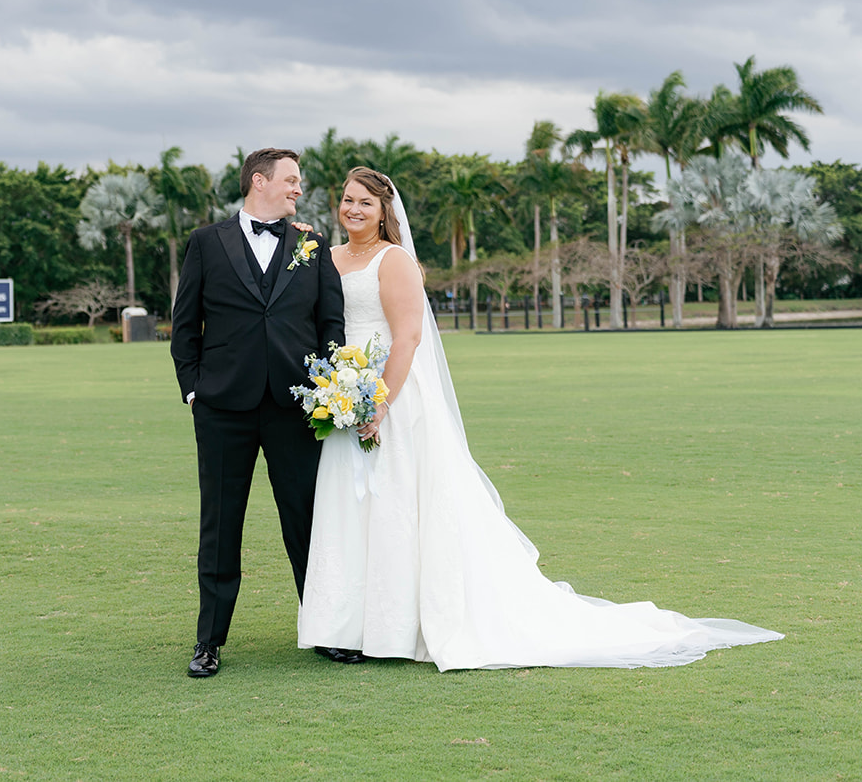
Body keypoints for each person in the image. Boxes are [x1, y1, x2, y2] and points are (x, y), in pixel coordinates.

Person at [296, 167, 784, 669]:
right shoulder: (327, 257)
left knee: (396, 505)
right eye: (347, 200)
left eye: (365, 203)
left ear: (384, 213)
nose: (353, 209)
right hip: (342, 396)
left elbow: (407, 338)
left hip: (390, 396)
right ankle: (346, 627)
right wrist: (340, 392)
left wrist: (380, 403)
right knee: (349, 509)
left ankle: (394, 627)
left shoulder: (394, 260)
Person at [170, 148, 352, 678]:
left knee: (307, 522)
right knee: (220, 524)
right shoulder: (207, 242)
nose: (299, 189)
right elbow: (185, 326)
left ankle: (324, 630)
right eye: (292, 180)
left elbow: (331, 322)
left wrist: (325, 386)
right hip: (223, 406)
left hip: (295, 406)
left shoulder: (313, 245)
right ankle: (209, 641)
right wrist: (193, 390)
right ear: (259, 181)